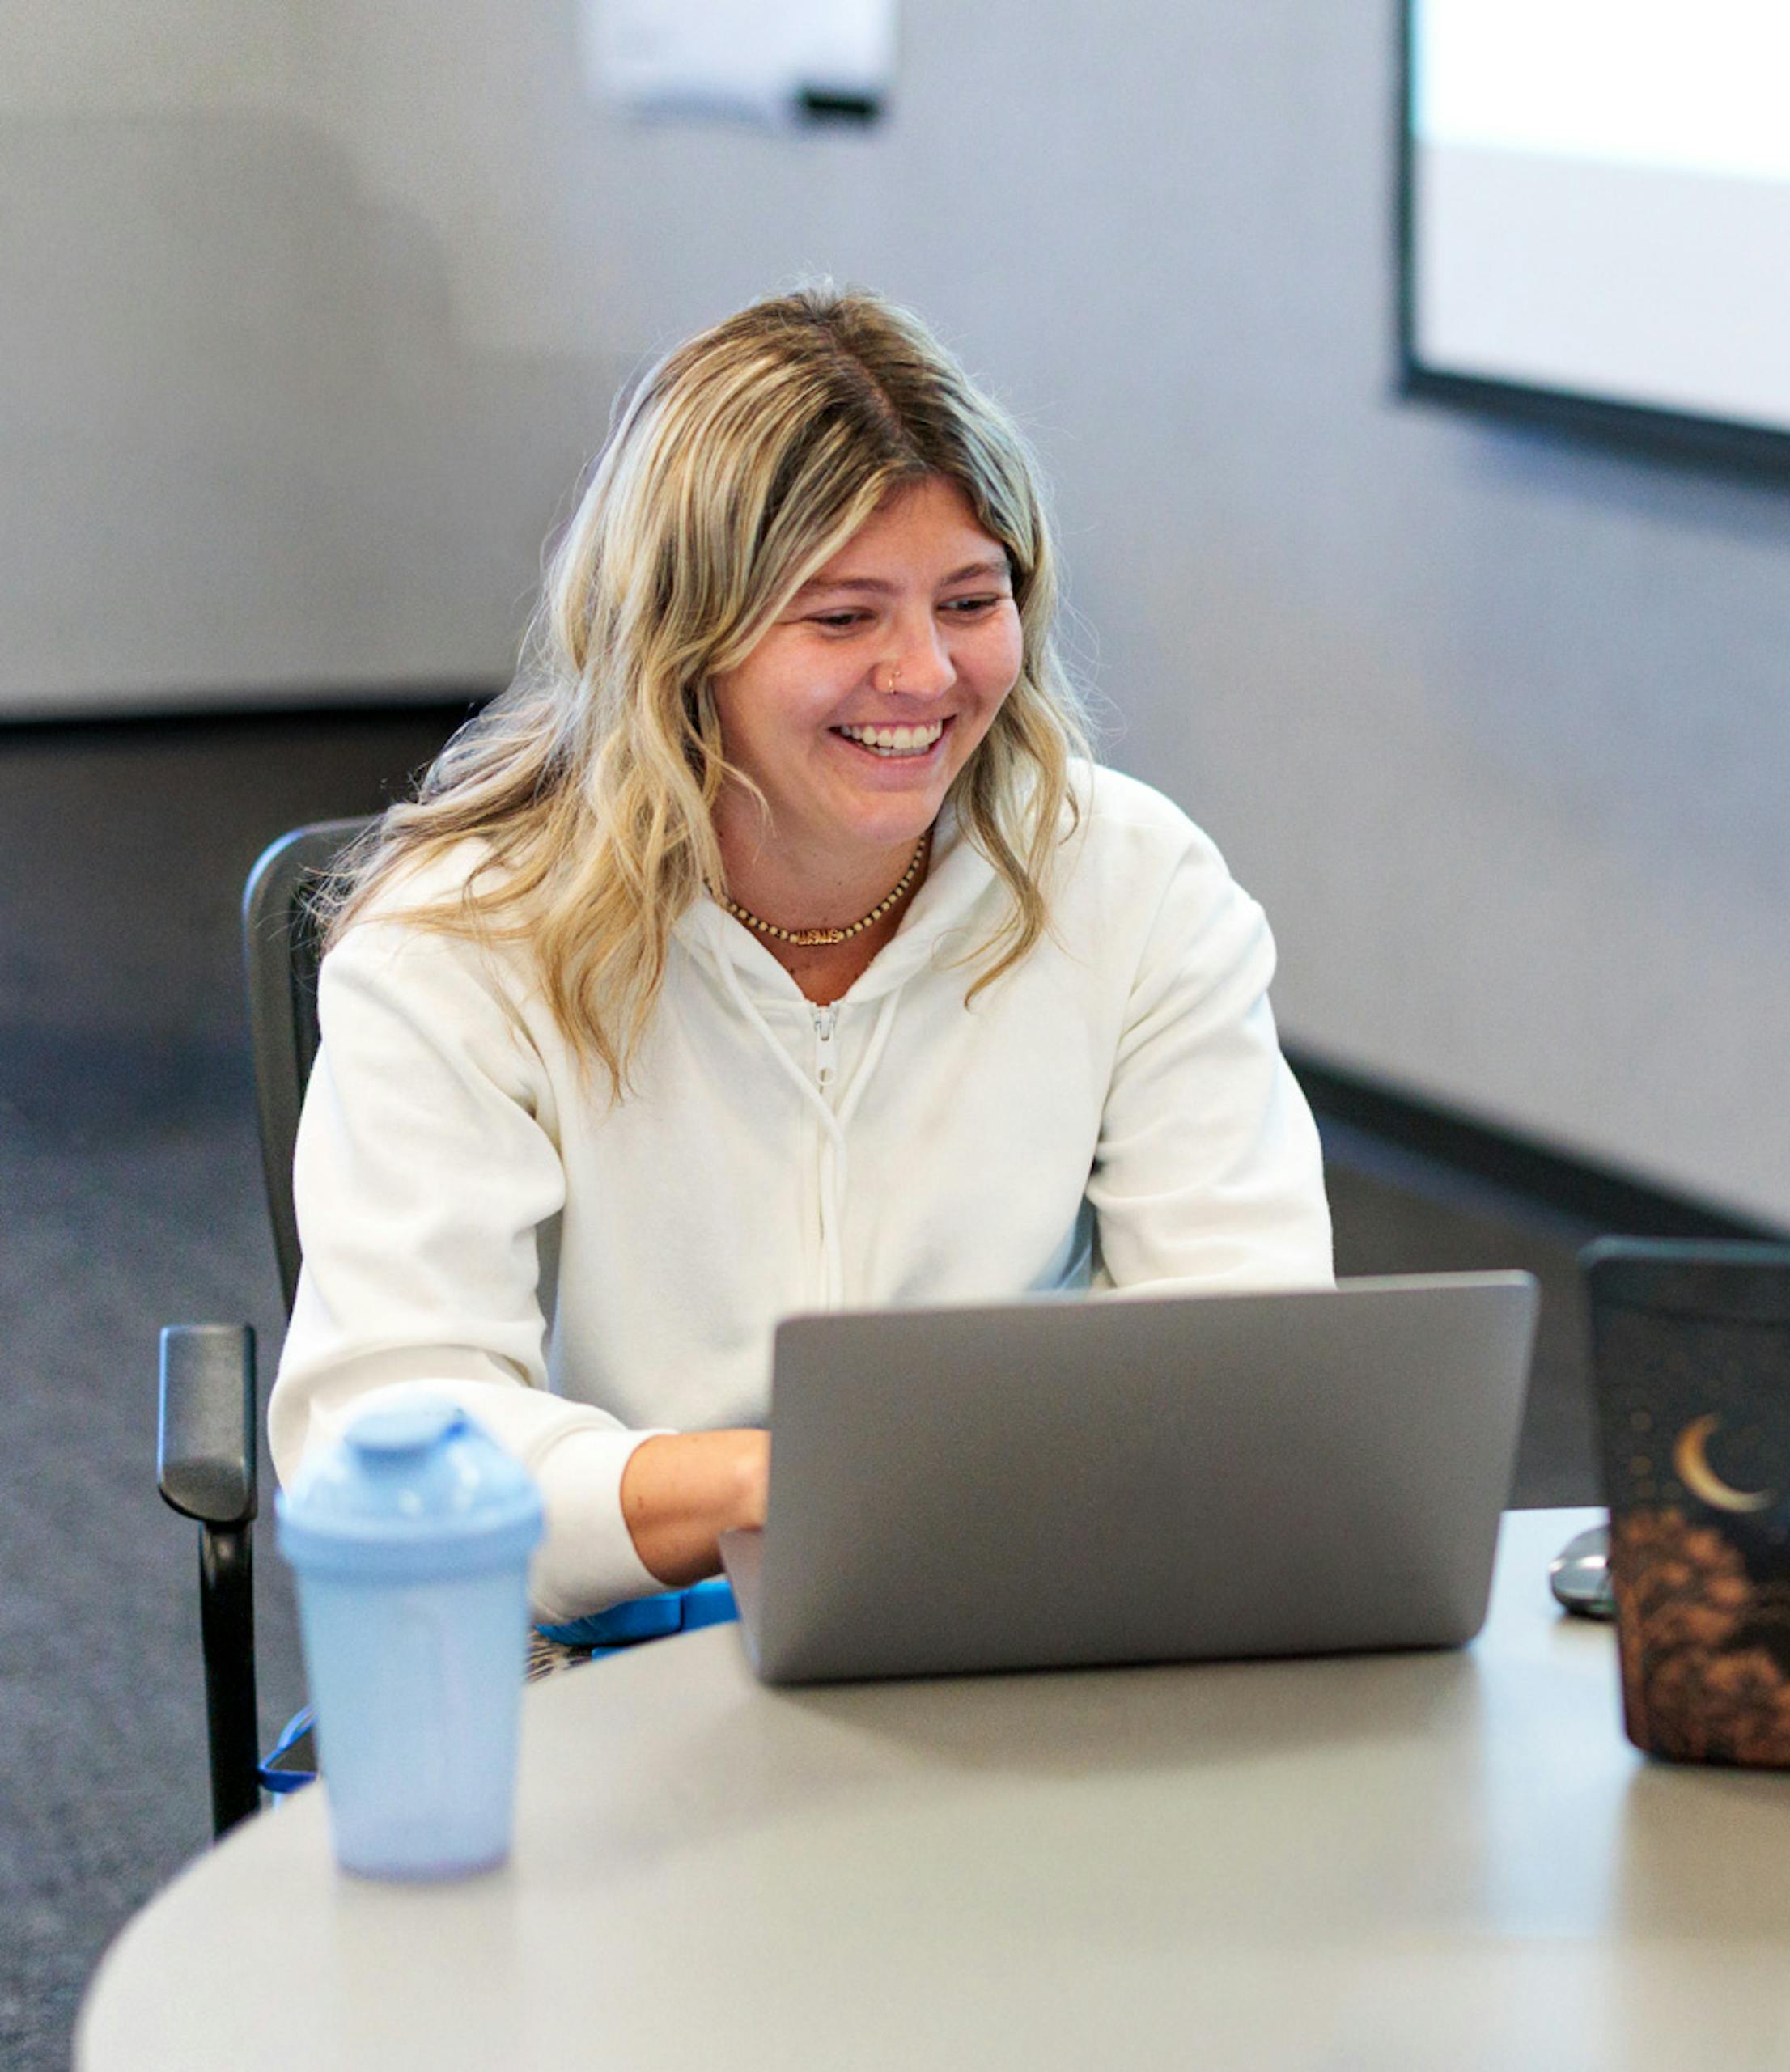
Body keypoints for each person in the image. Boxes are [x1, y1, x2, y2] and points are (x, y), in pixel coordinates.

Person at [270, 286, 1332, 1631]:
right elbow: (384, 1449)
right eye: (842, 619)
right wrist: (773, 1490)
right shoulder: (469, 936)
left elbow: (1255, 1357)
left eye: (971, 599)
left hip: (1027, 1621)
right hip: (607, 1655)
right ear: (682, 638)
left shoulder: (1132, 884)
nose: (928, 672)